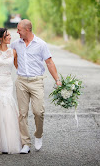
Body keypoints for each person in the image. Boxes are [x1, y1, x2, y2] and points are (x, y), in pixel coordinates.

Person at [10, 19, 62, 154]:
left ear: (27, 30)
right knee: (22, 113)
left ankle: (38, 135)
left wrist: (57, 80)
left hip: (36, 81)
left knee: (39, 112)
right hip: (21, 81)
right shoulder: (15, 44)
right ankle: (25, 143)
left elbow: (49, 62)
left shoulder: (41, 44)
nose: (17, 32)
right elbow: (4, 54)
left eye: (19, 30)